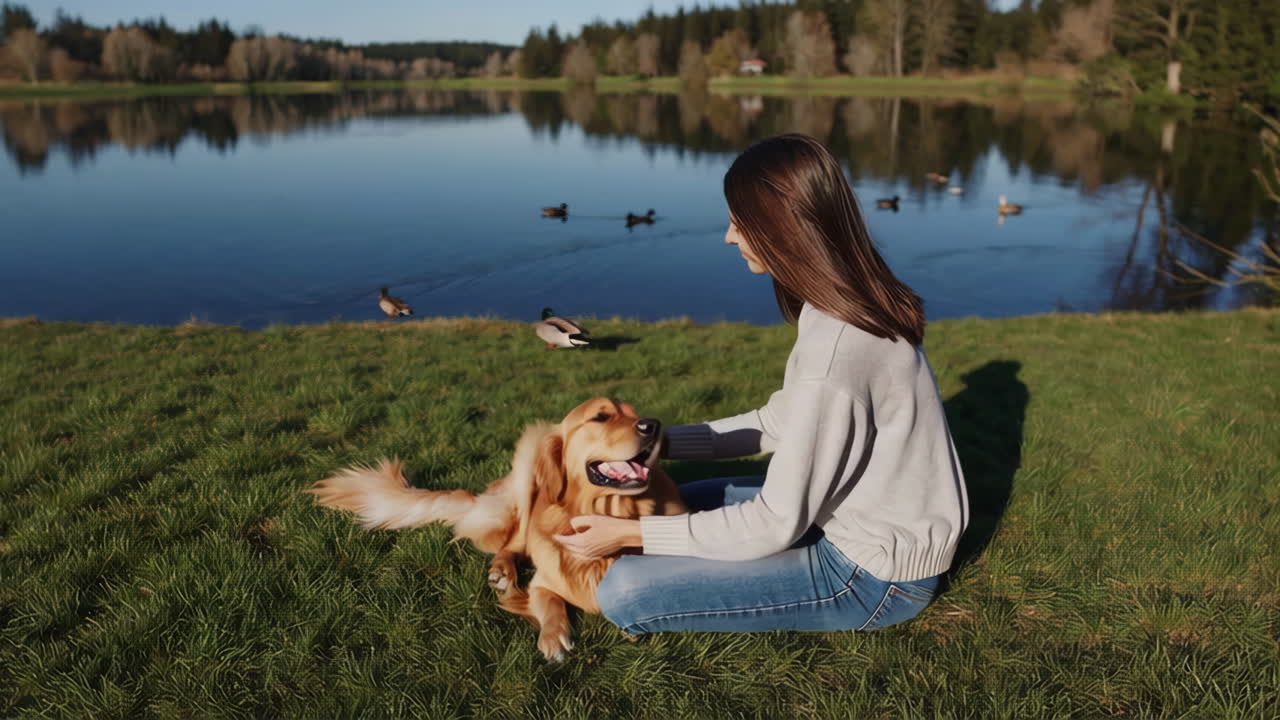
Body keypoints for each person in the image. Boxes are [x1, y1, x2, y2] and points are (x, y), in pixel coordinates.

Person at [554, 133, 969, 635]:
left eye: (739, 222)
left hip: (872, 576)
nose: (729, 236)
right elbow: (779, 423)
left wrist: (629, 532)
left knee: (622, 591)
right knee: (696, 494)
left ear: (781, 228)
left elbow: (774, 522)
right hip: (852, 519)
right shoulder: (842, 304)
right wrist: (652, 440)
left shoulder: (835, 355)